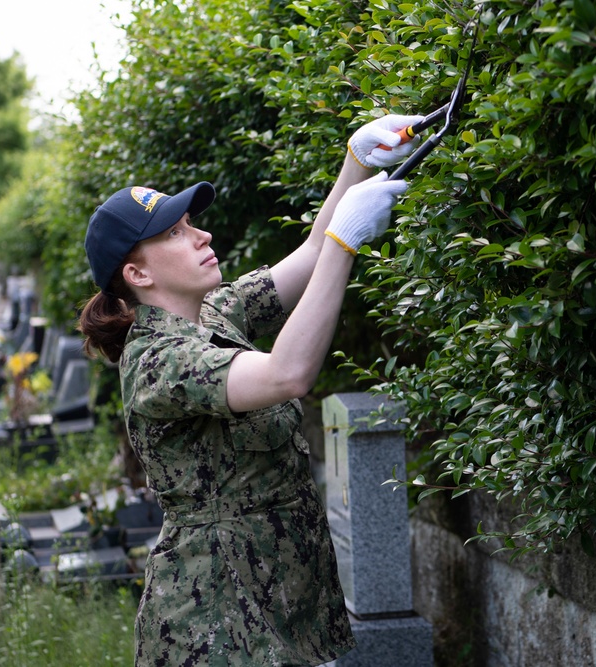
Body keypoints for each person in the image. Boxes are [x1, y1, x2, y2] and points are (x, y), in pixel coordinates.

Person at [77, 114, 423, 667]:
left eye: (190, 223)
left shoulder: (212, 313)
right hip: (216, 628)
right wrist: (346, 241)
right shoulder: (158, 362)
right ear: (138, 275)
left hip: (276, 606)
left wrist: (356, 161)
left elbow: (312, 254)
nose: (202, 236)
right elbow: (287, 373)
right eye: (175, 233)